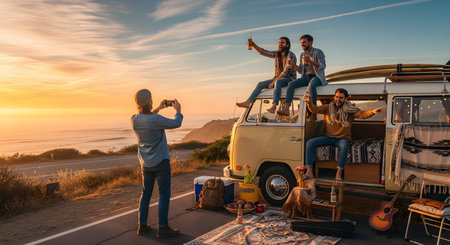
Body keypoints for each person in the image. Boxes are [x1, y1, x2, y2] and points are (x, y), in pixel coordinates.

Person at [131, 89, 183, 238]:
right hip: (161, 162)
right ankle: (163, 228)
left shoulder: (134, 119)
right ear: (150, 102)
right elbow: (177, 123)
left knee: (145, 193)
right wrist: (178, 110)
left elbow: (147, 116)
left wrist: (159, 108)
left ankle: (142, 226)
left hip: (145, 164)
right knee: (164, 194)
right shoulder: (156, 120)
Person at [304, 88, 383, 184]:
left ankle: (338, 173)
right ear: (334, 97)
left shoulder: (350, 109)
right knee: (310, 143)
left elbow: (361, 114)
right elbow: (315, 109)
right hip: (329, 137)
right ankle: (309, 171)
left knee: (344, 146)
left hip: (342, 139)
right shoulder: (329, 107)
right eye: (337, 97)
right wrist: (309, 102)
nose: (338, 99)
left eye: (341, 98)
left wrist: (372, 111)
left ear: (345, 99)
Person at [236, 37, 297, 113]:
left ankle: (274, 106)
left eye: (282, 43)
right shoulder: (277, 54)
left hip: (289, 79)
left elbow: (286, 72)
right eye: (279, 42)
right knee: (260, 84)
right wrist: (253, 44)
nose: (280, 44)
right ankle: (248, 102)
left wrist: (274, 81)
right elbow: (263, 52)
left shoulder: (291, 56)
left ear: (287, 45)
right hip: (277, 78)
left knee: (278, 82)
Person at [279, 34, 327, 118]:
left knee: (311, 85)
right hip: (306, 77)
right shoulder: (302, 54)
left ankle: (313, 112)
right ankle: (286, 109)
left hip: (317, 77)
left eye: (304, 42)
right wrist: (293, 65)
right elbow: (301, 70)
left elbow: (323, 66)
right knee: (291, 84)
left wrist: (311, 61)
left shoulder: (318, 52)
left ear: (310, 42)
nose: (302, 44)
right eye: (301, 43)